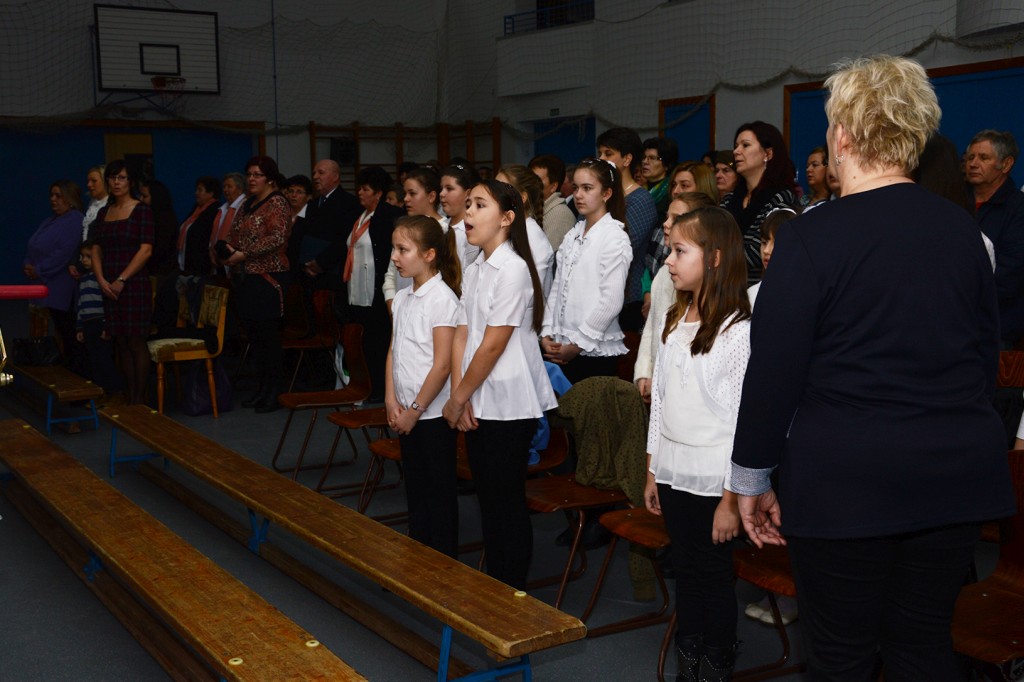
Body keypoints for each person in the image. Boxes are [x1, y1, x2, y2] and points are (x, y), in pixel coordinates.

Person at [730, 55, 1016, 681]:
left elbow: (774, 373)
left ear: (842, 136)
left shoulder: (810, 236)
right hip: (953, 477)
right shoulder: (966, 233)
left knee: (840, 656)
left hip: (845, 482)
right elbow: (981, 359)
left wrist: (749, 479)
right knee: (923, 649)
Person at [644, 206, 750, 681]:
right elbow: (661, 404)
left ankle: (717, 661)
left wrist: (731, 500)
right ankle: (688, 658)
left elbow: (743, 425)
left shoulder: (738, 332)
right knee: (684, 570)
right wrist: (653, 469)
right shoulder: (674, 320)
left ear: (715, 257)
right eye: (670, 250)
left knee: (712, 575)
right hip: (673, 469)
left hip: (713, 479)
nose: (668, 260)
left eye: (680, 251)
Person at [442, 180, 556, 589]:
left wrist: (458, 397)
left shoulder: (513, 269)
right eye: (468, 204)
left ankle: (511, 591)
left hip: (508, 400)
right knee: (488, 498)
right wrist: (460, 394)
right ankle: (497, 587)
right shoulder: (476, 267)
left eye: (479, 205)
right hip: (477, 394)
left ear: (507, 218)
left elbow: (493, 345)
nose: (468, 212)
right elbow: (462, 333)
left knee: (505, 501)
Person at [385, 215, 462, 558]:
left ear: (429, 254)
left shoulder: (442, 299)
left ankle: (443, 564)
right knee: (415, 490)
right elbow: (393, 350)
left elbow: (442, 365)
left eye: (403, 250)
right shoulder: (403, 298)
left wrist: (415, 410)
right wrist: (391, 400)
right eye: (394, 249)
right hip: (405, 412)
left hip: (431, 416)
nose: (395, 257)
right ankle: (418, 560)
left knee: (438, 493)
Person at [319, 166, 405, 402]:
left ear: (378, 193)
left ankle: (379, 390)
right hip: (356, 288)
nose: (360, 193)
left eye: (365, 189)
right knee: (362, 342)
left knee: (377, 342)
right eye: (359, 188)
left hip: (375, 290)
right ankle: (365, 386)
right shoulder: (361, 216)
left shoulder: (388, 216)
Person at [541, 158, 630, 384]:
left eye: (587, 188)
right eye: (576, 188)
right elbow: (557, 287)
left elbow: (611, 301)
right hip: (562, 344)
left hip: (593, 352)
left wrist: (577, 345)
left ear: (606, 193)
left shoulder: (614, 237)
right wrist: (547, 332)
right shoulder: (574, 233)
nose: (578, 195)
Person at [220, 156, 291, 413]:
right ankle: (262, 389)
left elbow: (278, 237)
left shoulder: (278, 202)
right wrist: (228, 249)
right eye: (249, 174)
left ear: (269, 178)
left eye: (257, 174)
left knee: (268, 337)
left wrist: (244, 253)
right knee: (255, 338)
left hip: (269, 277)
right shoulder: (247, 203)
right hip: (246, 277)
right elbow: (234, 234)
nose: (251, 179)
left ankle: (275, 392)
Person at [635, 192, 716, 402]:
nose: (666, 224)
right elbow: (652, 327)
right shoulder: (664, 272)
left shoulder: (697, 279)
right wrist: (645, 371)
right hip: (659, 380)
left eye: (677, 218)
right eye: (667, 217)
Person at [89, 160, 154, 405]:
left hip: (133, 284)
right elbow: (96, 249)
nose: (116, 182)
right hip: (108, 284)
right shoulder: (104, 212)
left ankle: (140, 398)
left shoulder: (141, 210)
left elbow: (146, 250)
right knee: (120, 340)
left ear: (131, 181)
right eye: (112, 177)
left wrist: (122, 279)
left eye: (122, 178)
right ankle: (129, 395)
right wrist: (101, 279)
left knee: (135, 340)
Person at [966, 129, 1024, 346]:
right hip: (955, 322)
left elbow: (1012, 272)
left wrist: (964, 294)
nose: (973, 164)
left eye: (983, 158)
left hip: (998, 327)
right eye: (970, 157)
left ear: (1006, 164)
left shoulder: (1018, 209)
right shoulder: (955, 201)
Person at [721, 121, 798, 284]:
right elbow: (711, 239)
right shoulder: (729, 199)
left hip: (760, 287)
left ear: (768, 154)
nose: (736, 151)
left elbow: (756, 253)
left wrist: (717, 255)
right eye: (736, 146)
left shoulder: (780, 197)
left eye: (745, 145)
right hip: (724, 288)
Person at [597, 127, 657, 332]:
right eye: (600, 153)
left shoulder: (641, 200)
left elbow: (622, 246)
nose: (601, 159)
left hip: (626, 296)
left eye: (608, 153)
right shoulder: (599, 195)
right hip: (596, 291)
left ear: (627, 159)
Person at [24, 180, 85, 363]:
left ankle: (76, 369)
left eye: (58, 195)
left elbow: (63, 253)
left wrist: (39, 269)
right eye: (51, 195)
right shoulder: (50, 220)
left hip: (61, 284)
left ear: (70, 198)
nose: (53, 199)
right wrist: (28, 264)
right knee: (61, 328)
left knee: (68, 329)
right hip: (44, 281)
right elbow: (33, 246)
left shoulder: (75, 220)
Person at [382, 167, 448, 310]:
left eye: (412, 193)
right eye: (405, 193)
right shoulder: (404, 228)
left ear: (431, 196)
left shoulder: (446, 231)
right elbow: (391, 274)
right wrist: (393, 305)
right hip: (401, 306)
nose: (406, 199)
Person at [495, 165, 555, 296]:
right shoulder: (505, 229)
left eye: (502, 189)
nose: (494, 195)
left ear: (522, 197)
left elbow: (530, 291)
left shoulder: (533, 238)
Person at [74, 240, 118, 394]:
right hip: (88, 324)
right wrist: (80, 327)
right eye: (82, 256)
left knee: (104, 359)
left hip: (101, 323)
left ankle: (111, 392)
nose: (84, 260)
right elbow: (81, 305)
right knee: (93, 360)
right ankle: (98, 392)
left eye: (89, 257)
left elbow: (107, 304)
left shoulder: (102, 279)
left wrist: (108, 326)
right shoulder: (83, 279)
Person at [528, 154, 577, 250]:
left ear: (553, 186)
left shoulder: (561, 215)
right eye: (529, 179)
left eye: (537, 180)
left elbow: (549, 257)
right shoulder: (531, 208)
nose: (530, 184)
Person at [440, 163, 480, 270]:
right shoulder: (440, 226)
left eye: (449, 189)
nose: (442, 194)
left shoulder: (471, 230)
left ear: (467, 194)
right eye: (441, 188)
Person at [209, 172, 247, 275]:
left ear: (240, 189)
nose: (225, 190)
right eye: (224, 187)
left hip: (236, 262)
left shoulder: (245, 206)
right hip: (218, 260)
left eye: (229, 187)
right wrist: (211, 250)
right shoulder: (223, 208)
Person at [642, 137, 679, 218]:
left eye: (652, 158)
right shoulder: (640, 189)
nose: (645, 162)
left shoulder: (671, 191)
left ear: (667, 165)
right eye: (644, 157)